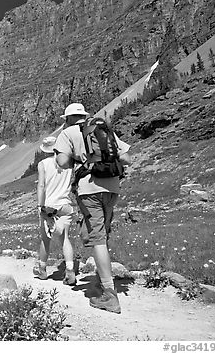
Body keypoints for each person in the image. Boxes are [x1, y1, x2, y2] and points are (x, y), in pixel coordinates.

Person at [54, 103, 132, 314]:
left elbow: (61, 162)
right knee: (102, 234)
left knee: (97, 239)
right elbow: (126, 158)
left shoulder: (68, 132)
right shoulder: (102, 129)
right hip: (112, 186)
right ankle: (101, 279)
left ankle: (109, 294)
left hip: (89, 188)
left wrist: (78, 157)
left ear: (68, 118)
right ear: (84, 116)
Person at [33, 136, 77, 285]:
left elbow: (41, 186)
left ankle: (42, 269)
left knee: (46, 239)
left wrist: (40, 205)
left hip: (49, 206)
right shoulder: (69, 163)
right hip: (65, 205)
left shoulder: (43, 164)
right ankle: (70, 270)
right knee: (65, 239)